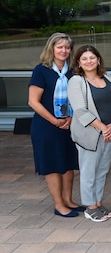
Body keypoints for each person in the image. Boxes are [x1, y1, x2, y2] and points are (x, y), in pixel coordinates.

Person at [28, 32, 83, 218]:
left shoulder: (73, 70)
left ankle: (68, 200)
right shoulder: (41, 70)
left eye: (67, 47)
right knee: (53, 164)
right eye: (59, 47)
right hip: (46, 126)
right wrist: (54, 120)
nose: (64, 51)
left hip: (68, 123)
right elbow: (33, 102)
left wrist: (70, 119)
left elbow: (78, 97)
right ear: (51, 48)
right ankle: (59, 205)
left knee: (68, 162)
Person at [68, 45, 111, 222]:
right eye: (84, 58)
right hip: (91, 135)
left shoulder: (108, 78)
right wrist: (103, 127)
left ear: (98, 60)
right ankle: (89, 206)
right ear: (78, 62)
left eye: (92, 58)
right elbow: (80, 110)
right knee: (88, 171)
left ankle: (98, 202)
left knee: (102, 170)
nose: (89, 61)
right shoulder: (76, 81)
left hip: (110, 132)